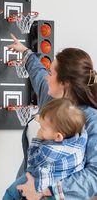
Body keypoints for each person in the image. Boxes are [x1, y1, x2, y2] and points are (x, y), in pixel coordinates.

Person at [6, 34, 97, 200]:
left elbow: (94, 176)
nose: (47, 76)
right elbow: (37, 71)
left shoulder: (92, 120)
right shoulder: (50, 98)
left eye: (51, 73)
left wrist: (45, 190)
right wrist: (25, 52)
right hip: (24, 190)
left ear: (65, 83)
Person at [2, 98, 87, 200]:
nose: (40, 129)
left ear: (58, 137)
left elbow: (32, 160)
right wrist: (44, 121)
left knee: (11, 192)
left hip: (43, 181)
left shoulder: (49, 150)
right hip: (60, 188)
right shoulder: (81, 136)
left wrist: (37, 139)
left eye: (42, 128)